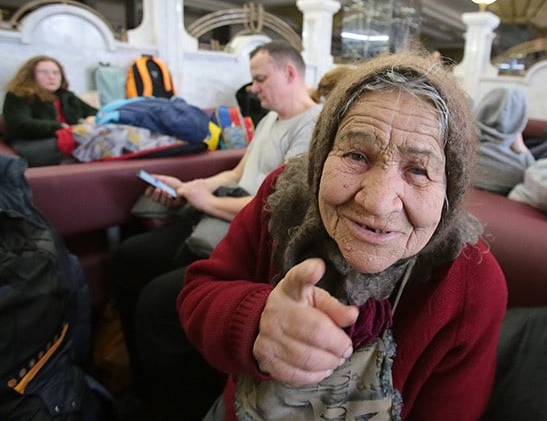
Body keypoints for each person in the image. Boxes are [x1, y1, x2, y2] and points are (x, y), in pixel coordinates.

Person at [178, 50, 508, 420]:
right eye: (356, 156)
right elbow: (199, 293)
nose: (379, 203)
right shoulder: (280, 197)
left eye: (418, 170)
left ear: (450, 189)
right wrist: (256, 322)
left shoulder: (470, 281)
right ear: (322, 155)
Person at [109, 40, 321, 420]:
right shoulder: (271, 119)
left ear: (290, 73)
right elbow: (239, 174)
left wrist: (205, 202)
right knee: (127, 258)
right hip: (220, 217)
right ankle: (141, 384)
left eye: (260, 79)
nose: (253, 88)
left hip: (252, 234)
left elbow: (277, 206)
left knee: (157, 304)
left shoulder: (312, 126)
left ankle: (174, 406)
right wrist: (192, 187)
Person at [2, 55, 98, 166]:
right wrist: (61, 128)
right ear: (30, 76)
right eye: (44, 72)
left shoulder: (66, 96)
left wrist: (92, 118)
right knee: (93, 141)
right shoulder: (18, 95)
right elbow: (20, 124)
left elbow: (94, 112)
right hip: (31, 144)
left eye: (56, 73)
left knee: (106, 136)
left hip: (68, 138)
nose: (51, 77)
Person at [473, 87, 535, 195]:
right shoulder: (520, 169)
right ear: (520, 121)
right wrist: (522, 149)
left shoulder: (457, 151)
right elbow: (535, 179)